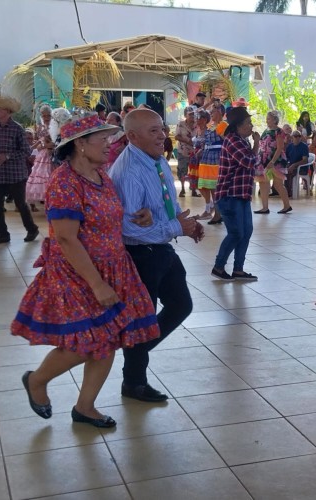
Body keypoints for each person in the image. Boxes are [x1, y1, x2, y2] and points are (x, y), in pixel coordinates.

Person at [11, 112, 160, 428]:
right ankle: (36, 380)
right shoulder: (64, 182)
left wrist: (139, 215)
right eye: (102, 139)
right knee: (88, 342)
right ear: (80, 144)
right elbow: (66, 238)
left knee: (109, 338)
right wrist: (97, 284)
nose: (109, 144)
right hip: (79, 274)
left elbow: (105, 215)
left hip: (113, 267)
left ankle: (85, 407)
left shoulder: (100, 174)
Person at [110, 109, 204, 402]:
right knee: (143, 317)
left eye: (161, 129)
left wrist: (184, 223)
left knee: (180, 304)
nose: (162, 135)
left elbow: (165, 201)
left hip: (160, 247)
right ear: (132, 136)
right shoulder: (129, 171)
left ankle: (135, 349)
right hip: (139, 255)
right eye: (153, 131)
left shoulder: (156, 158)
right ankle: (134, 381)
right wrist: (176, 227)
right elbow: (128, 227)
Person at [211, 107, 260, 281]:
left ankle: (238, 269)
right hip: (229, 195)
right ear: (238, 126)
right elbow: (249, 161)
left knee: (246, 231)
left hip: (241, 194)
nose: (251, 126)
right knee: (236, 233)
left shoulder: (241, 140)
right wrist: (257, 144)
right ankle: (218, 267)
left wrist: (253, 147)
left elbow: (251, 161)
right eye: (248, 123)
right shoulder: (233, 141)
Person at [0, 96, 39, 244]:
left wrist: (7, 156)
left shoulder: (17, 129)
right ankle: (2, 234)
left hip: (16, 175)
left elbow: (26, 151)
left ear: (8, 111)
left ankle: (32, 229)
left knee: (20, 204)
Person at [255, 110, 292, 214]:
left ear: (275, 120)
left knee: (278, 184)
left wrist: (272, 161)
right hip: (264, 159)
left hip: (276, 160)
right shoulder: (266, 130)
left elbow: (280, 148)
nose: (267, 120)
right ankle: (265, 207)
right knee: (263, 182)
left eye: (269, 119)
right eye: (266, 118)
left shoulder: (279, 131)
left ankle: (287, 205)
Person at [198, 103, 227, 225]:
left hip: (216, 158)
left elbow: (227, 140)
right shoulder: (211, 126)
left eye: (213, 111)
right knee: (208, 186)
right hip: (207, 157)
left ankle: (218, 214)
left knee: (215, 187)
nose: (211, 113)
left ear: (220, 112)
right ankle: (215, 211)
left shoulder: (223, 125)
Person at [26, 104, 54, 212]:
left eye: (48, 115)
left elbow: (55, 141)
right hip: (43, 155)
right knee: (42, 178)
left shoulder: (55, 125)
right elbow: (40, 142)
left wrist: (48, 145)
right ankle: (47, 204)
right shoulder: (40, 127)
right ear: (41, 116)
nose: (46, 118)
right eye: (44, 116)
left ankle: (52, 204)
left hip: (53, 154)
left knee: (52, 178)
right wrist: (42, 146)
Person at [175, 106, 200, 197]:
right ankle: (182, 189)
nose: (192, 116)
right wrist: (188, 141)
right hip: (183, 151)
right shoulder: (181, 124)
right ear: (185, 115)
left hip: (194, 152)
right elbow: (176, 136)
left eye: (193, 114)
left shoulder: (197, 124)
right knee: (182, 170)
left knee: (194, 171)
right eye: (190, 115)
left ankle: (193, 190)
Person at [189, 109, 209, 214]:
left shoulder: (208, 131)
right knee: (197, 184)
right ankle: (210, 204)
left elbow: (208, 145)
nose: (197, 120)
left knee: (203, 184)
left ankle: (209, 206)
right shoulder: (197, 131)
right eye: (196, 118)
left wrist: (200, 150)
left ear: (205, 120)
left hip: (203, 160)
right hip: (195, 160)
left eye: (199, 118)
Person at [286, 130, 309, 197]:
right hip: (291, 165)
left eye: (299, 136)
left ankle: (289, 191)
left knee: (289, 172)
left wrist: (294, 165)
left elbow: (305, 160)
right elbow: (286, 158)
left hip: (301, 167)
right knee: (281, 170)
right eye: (295, 136)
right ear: (292, 137)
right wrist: (288, 164)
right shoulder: (289, 146)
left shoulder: (304, 146)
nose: (298, 138)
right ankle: (279, 190)